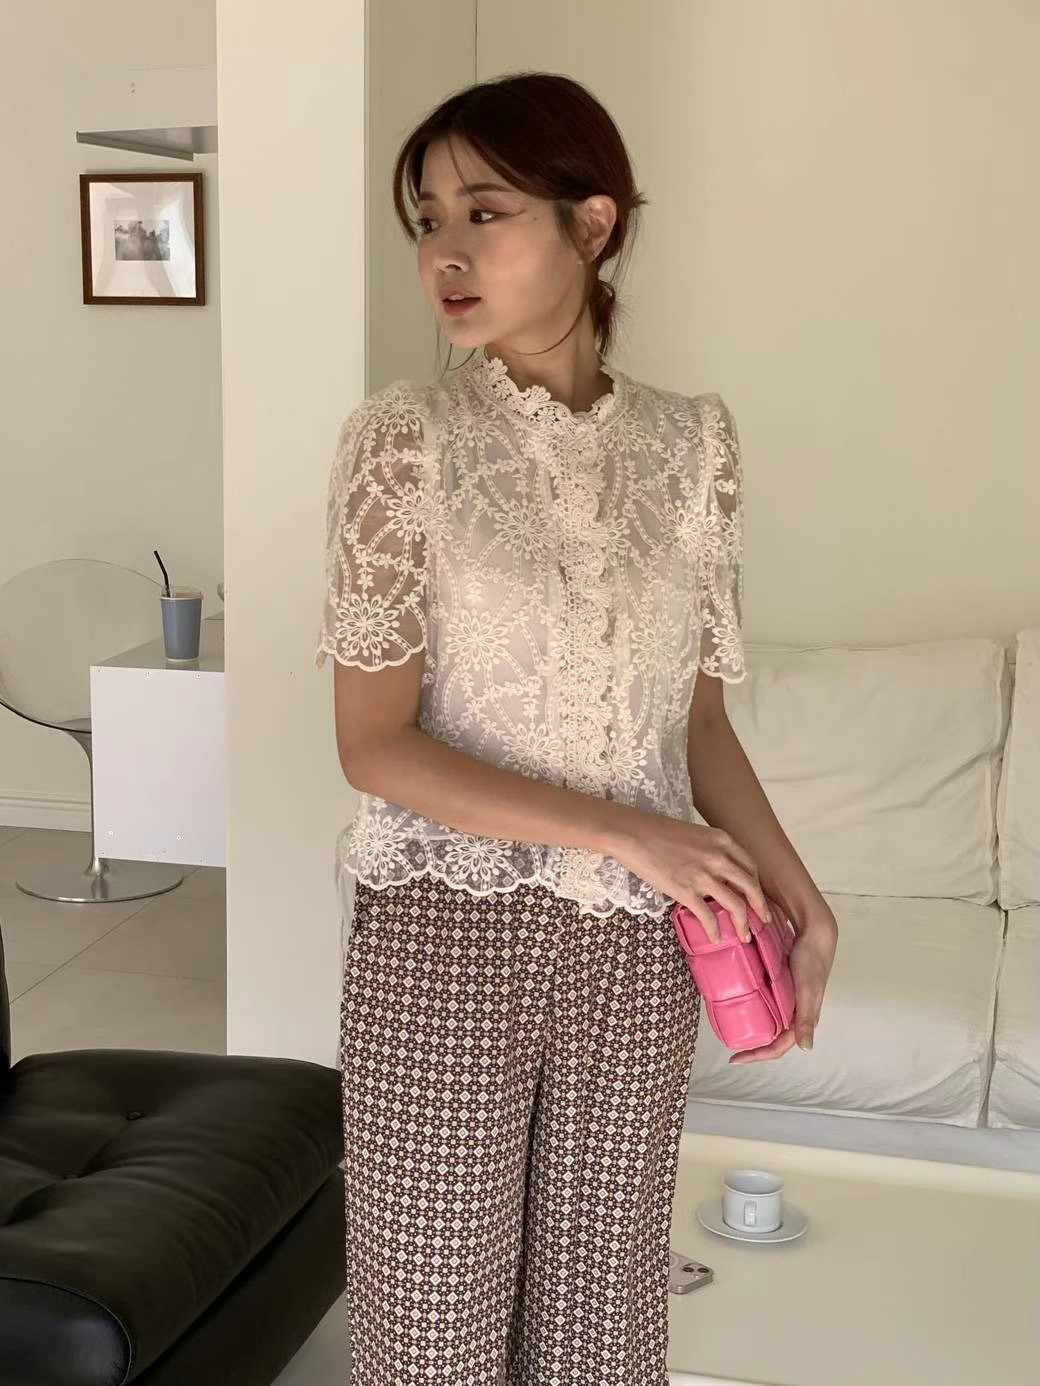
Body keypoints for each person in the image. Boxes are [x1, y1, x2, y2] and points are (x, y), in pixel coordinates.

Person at [316, 71, 837, 1386]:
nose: (445, 251)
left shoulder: (695, 447)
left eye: (484, 212)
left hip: (640, 951)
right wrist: (630, 834)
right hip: (445, 935)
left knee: (601, 1331)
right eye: (427, 219)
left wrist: (793, 886)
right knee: (431, 1334)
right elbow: (374, 744)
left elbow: (694, 720)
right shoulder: (405, 442)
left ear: (591, 224)